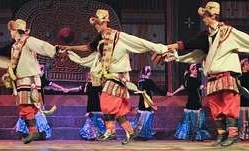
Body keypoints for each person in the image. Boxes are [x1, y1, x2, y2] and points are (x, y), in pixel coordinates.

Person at [163, 1, 249, 147]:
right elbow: (190, 44)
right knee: (216, 105)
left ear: (213, 15)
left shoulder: (229, 32)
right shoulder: (206, 36)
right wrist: (171, 50)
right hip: (212, 77)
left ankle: (233, 134)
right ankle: (222, 134)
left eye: (205, 16)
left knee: (229, 104)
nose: (203, 19)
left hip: (226, 75)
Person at [61, 9, 169, 145]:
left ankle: (110, 131)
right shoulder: (99, 40)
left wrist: (160, 48)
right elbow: (88, 48)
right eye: (95, 24)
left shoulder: (118, 36)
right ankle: (129, 131)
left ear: (105, 22)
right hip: (107, 76)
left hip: (118, 76)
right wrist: (70, 48)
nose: (96, 26)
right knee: (116, 109)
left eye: (98, 23)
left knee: (106, 101)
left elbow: (140, 42)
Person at [0, 19, 60, 144]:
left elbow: (42, 45)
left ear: (16, 30)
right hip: (23, 79)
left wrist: (55, 51)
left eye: (11, 31)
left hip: (29, 79)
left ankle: (33, 131)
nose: (10, 33)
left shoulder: (27, 41)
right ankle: (34, 131)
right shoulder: (14, 46)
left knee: (26, 105)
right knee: (27, 106)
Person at [14, 64, 80, 139]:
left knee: (38, 118)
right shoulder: (30, 78)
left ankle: (37, 133)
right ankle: (27, 132)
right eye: (41, 69)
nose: (43, 70)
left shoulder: (40, 79)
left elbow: (51, 84)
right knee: (28, 115)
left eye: (43, 69)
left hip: (38, 103)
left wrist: (61, 88)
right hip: (30, 102)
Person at [169, 63, 211, 141]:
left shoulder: (187, 81)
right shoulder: (195, 81)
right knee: (198, 121)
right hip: (196, 103)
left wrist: (172, 93)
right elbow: (203, 88)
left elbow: (180, 88)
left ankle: (191, 136)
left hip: (189, 103)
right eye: (194, 69)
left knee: (188, 121)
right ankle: (197, 136)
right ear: (191, 71)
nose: (196, 70)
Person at [130, 66, 167, 140]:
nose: (150, 73)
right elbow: (157, 89)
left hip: (141, 101)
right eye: (149, 71)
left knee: (140, 117)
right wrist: (166, 93)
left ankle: (138, 134)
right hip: (147, 102)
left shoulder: (140, 81)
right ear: (147, 73)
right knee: (146, 118)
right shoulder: (148, 82)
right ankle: (144, 134)